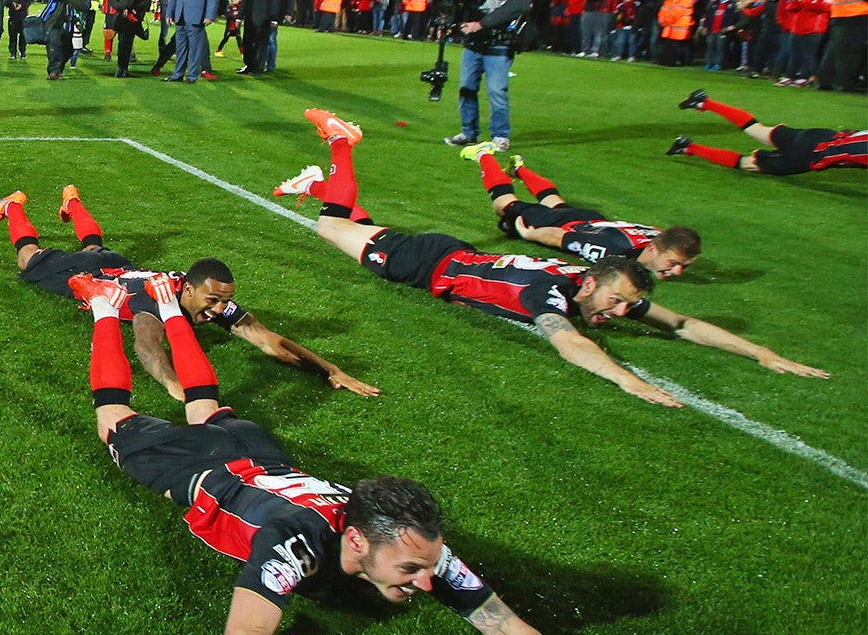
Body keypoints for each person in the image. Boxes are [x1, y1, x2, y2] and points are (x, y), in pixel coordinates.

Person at [70, 271, 726, 635]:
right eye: (410, 570)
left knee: (205, 403)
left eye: (424, 566)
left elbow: (515, 634)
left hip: (264, 460)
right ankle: (106, 307)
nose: (422, 582)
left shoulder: (412, 548)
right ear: (354, 542)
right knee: (117, 420)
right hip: (214, 476)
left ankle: (159, 303)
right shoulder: (297, 542)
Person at [278, 111, 827, 403]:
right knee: (331, 226)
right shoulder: (554, 294)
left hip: (447, 258)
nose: (618, 312)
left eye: (624, 305)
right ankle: (340, 144)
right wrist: (628, 380)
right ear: (591, 285)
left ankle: (319, 181)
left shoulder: (598, 285)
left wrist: (759, 352)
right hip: (430, 264)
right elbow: (572, 346)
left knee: (349, 225)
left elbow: (681, 323)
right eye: (615, 302)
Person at [0, 182, 376, 397]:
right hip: (95, 277)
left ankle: (73, 202)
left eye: (223, 301)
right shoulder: (156, 301)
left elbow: (270, 341)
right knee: (30, 257)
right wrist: (177, 387)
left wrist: (329, 370)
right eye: (211, 301)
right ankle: (14, 205)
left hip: (119, 267)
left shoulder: (211, 301)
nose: (216, 311)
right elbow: (146, 346)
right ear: (187, 291)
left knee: (94, 246)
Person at [464, 146, 701, 274]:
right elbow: (559, 237)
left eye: (683, 266)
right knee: (505, 205)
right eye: (672, 264)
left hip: (592, 222)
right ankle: (484, 153)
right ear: (653, 248)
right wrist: (528, 234)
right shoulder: (613, 250)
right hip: (567, 225)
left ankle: (519, 169)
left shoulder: (663, 237)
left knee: (555, 202)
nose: (678, 271)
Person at [443, 0, 538, 151]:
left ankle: (501, 135)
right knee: (466, 88)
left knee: (496, 91)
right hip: (474, 42)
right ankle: (469, 132)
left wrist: (481, 24)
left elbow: (515, 8)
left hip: (500, 42)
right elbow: (467, 1)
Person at [670, 89, 867, 174]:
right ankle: (688, 147)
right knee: (747, 164)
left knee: (758, 130)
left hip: (821, 135)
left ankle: (704, 101)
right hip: (808, 154)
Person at [240, 0, 294, 76]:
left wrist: (276, 17)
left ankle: (264, 67)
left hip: (267, 17)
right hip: (252, 17)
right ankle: (251, 65)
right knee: (250, 42)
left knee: (266, 42)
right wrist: (240, 15)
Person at [104, 0, 148, 77]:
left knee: (129, 43)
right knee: (121, 43)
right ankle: (120, 67)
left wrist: (135, 10)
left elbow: (146, 1)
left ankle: (125, 68)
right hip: (121, 18)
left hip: (134, 19)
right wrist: (121, 8)